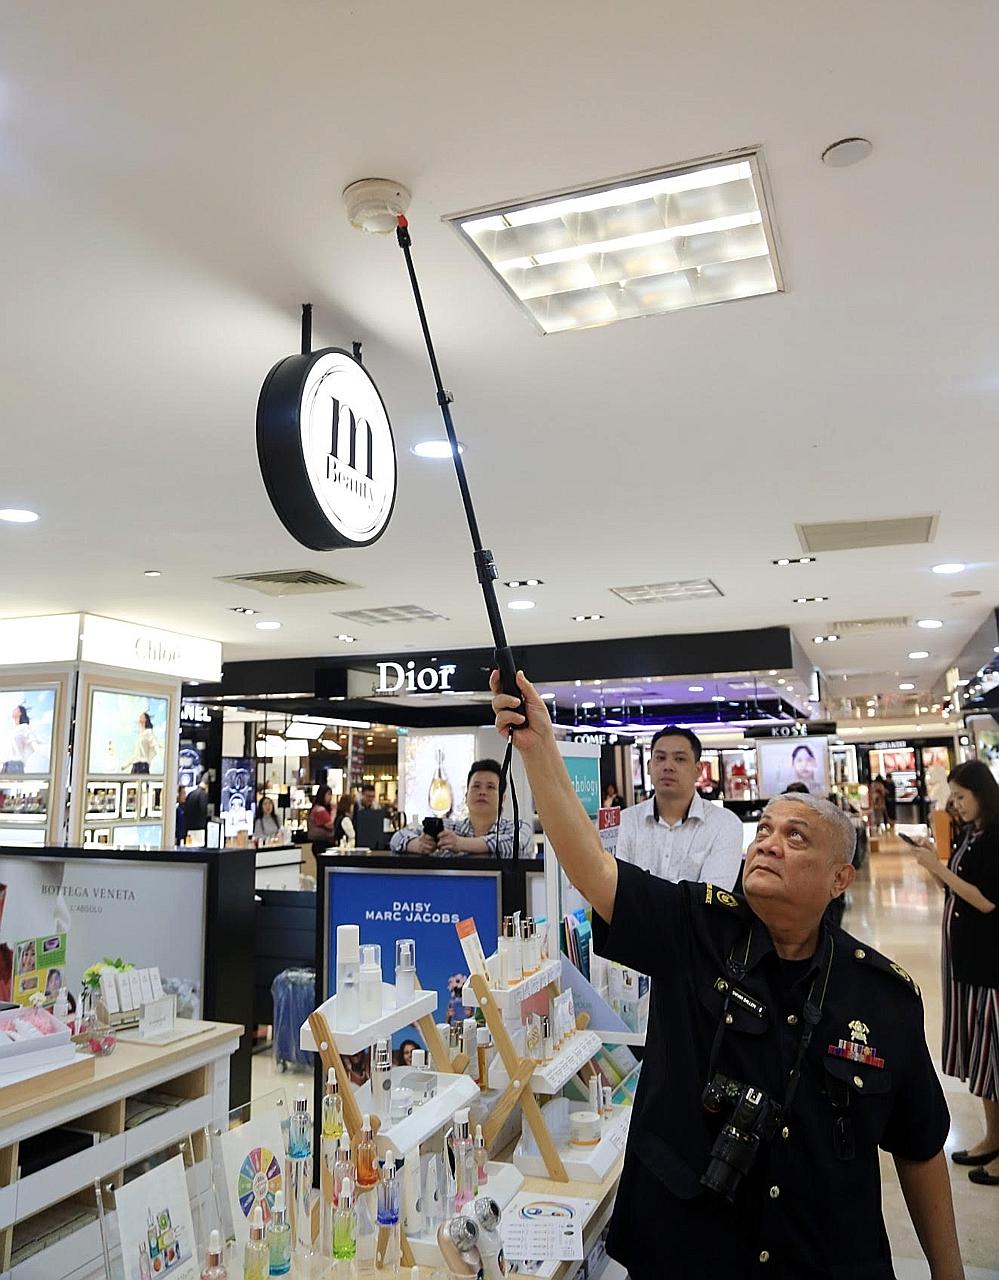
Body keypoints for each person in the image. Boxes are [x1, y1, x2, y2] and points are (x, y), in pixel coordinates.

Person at [492, 671, 963, 1279]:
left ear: (839, 879)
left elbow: (920, 1149)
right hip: (689, 1249)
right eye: (763, 830)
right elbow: (591, 867)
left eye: (795, 837)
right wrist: (539, 748)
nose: (767, 843)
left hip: (820, 1257)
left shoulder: (881, 998)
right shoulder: (696, 933)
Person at [909, 759, 999, 1187]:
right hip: (968, 964)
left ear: (982, 794)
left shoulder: (996, 837)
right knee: (983, 1061)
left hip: (991, 966)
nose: (955, 805)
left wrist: (937, 868)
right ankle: (992, 1138)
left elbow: (986, 901)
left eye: (961, 797)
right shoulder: (974, 834)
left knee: (996, 1059)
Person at [615, 727, 743, 890]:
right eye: (660, 758)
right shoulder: (624, 822)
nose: (668, 766)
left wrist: (642, 892)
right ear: (649, 766)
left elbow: (711, 898)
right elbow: (617, 889)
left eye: (680, 759)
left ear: (698, 770)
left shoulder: (725, 824)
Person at [390, 759, 533, 858]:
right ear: (466, 796)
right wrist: (419, 845)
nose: (482, 792)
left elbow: (518, 844)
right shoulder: (448, 827)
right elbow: (397, 837)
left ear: (503, 799)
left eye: (490, 787)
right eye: (476, 786)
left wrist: (461, 844)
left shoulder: (517, 827)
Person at [5, 704, 37, 773]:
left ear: (20, 713)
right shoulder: (13, 730)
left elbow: (34, 744)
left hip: (16, 764)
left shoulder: (25, 727)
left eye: (15, 709)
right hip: (6, 765)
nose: (13, 710)